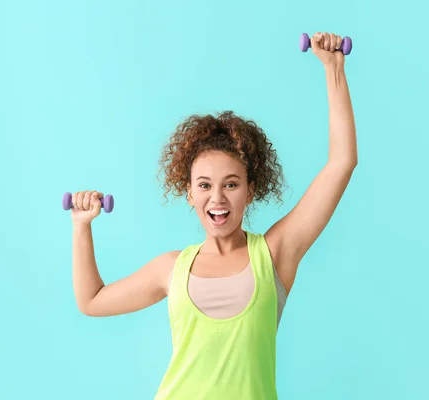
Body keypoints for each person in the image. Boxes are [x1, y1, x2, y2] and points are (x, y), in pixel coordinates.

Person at [70, 31, 357, 399]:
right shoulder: (171, 269)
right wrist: (82, 227)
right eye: (204, 185)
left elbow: (342, 164)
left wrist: (334, 70)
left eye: (231, 184)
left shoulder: (273, 256)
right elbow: (91, 301)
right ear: (189, 193)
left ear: (251, 190)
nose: (217, 198)